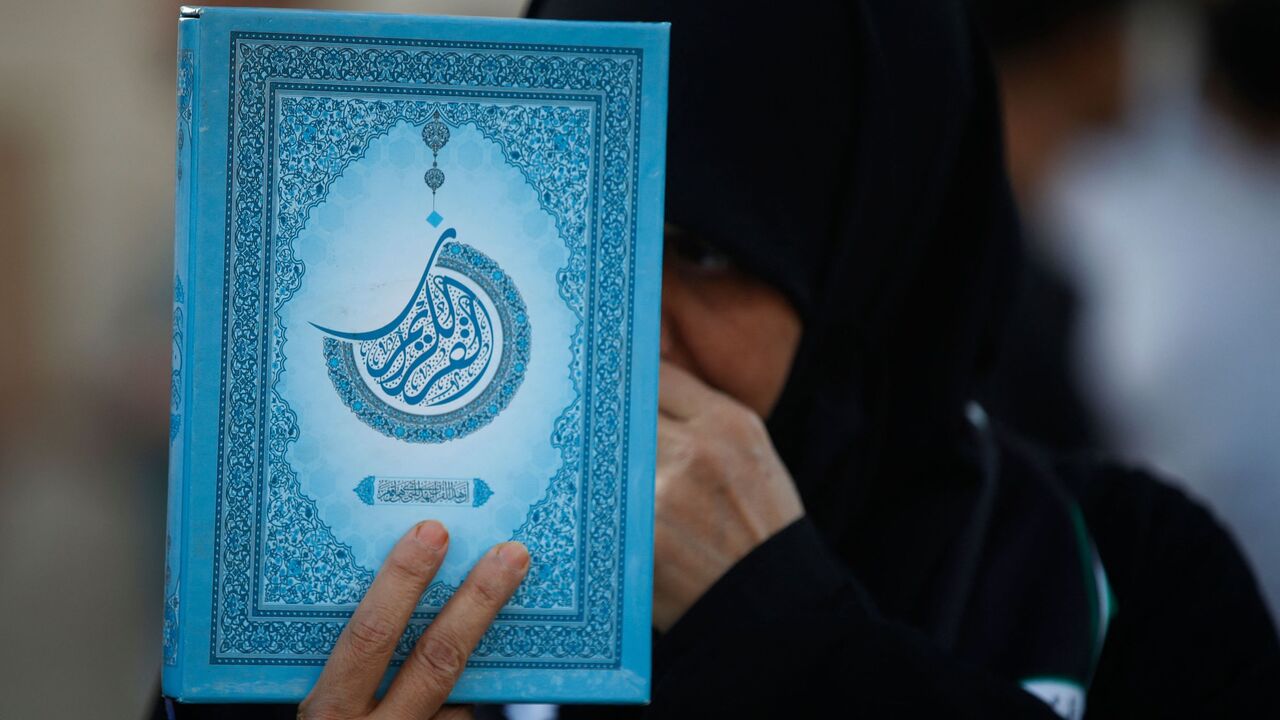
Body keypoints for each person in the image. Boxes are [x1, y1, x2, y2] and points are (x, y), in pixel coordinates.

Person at [155, 0, 1280, 717]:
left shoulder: (1117, 579)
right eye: (573, 227)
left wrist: (791, 637)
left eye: (700, 251)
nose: (616, 325)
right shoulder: (348, 584)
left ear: (865, 276)